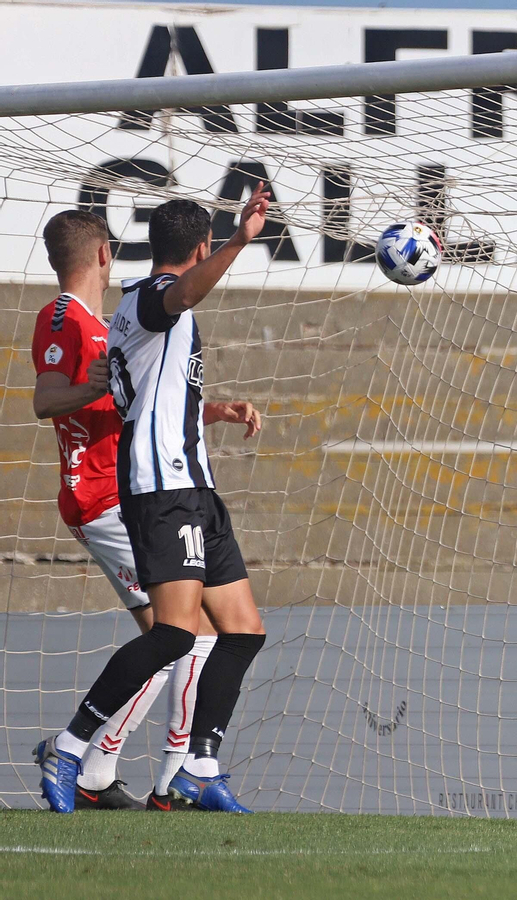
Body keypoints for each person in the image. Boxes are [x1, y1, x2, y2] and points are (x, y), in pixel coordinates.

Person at [37, 188, 271, 813]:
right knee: (172, 634)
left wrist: (215, 410)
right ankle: (70, 749)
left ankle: (198, 766)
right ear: (198, 249)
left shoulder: (155, 314)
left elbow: (163, 395)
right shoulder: (146, 300)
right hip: (162, 492)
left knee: (243, 630)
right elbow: (185, 293)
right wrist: (241, 239)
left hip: (196, 488)